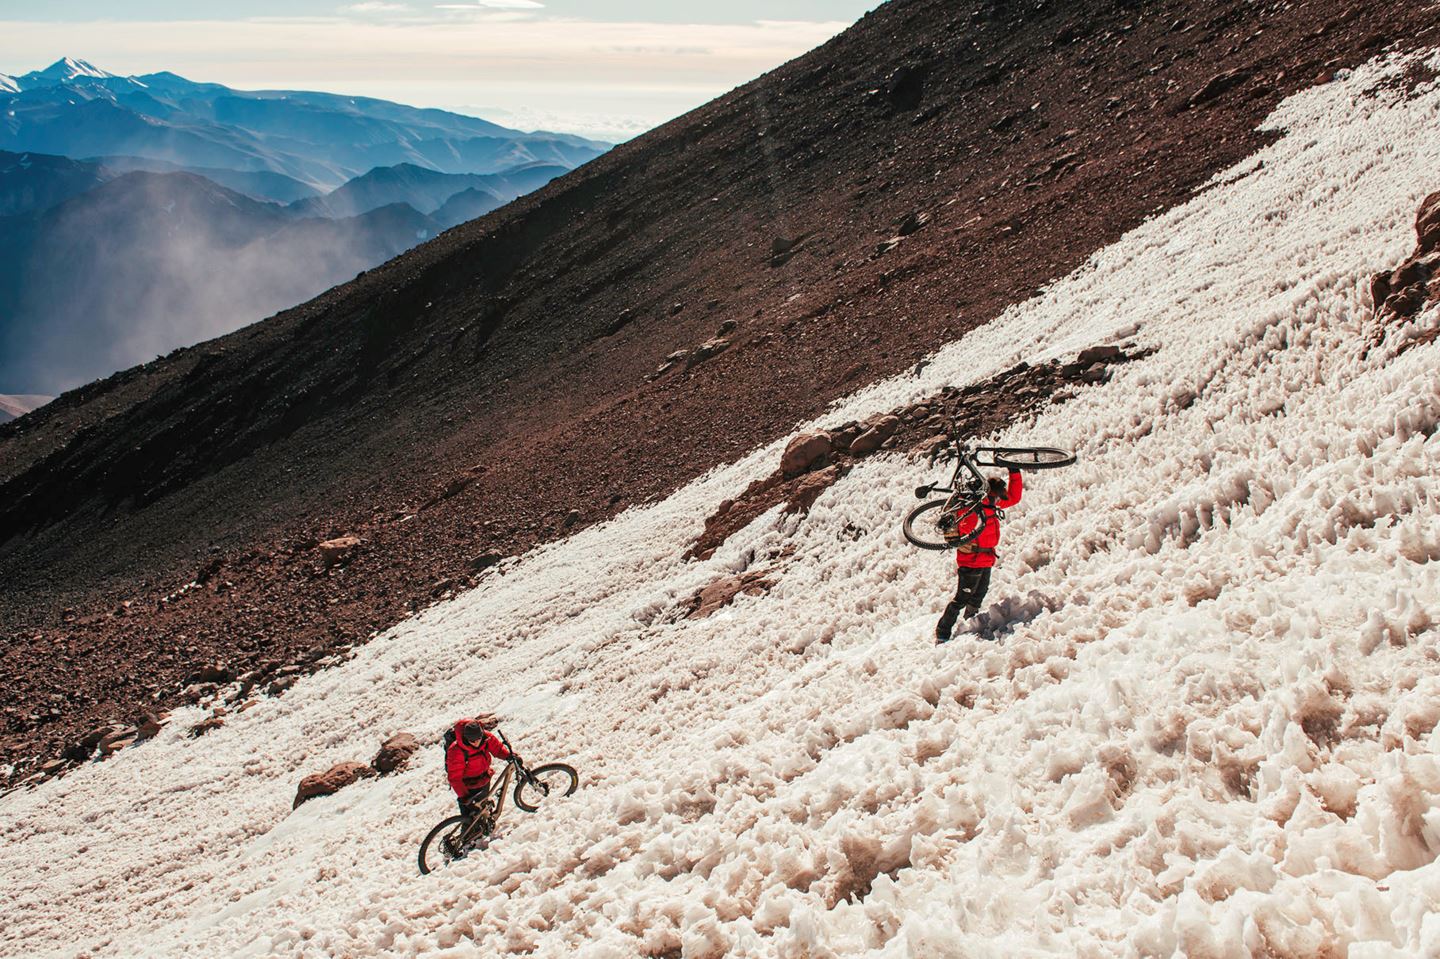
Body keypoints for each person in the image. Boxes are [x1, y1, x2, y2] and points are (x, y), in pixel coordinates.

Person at [936, 469, 1022, 643]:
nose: (1000, 501)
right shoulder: (974, 508)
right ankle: (942, 632)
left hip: (985, 559)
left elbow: (1014, 497)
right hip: (970, 560)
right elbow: (964, 530)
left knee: (978, 596)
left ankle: (970, 623)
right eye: (998, 497)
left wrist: (1014, 473)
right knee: (962, 598)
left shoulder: (992, 505)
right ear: (991, 494)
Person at [446, 714, 511, 820]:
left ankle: (483, 827)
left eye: (478, 739)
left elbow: (497, 749)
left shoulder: (486, 737)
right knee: (469, 818)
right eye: (472, 741)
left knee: (483, 810)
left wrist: (509, 756)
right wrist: (464, 796)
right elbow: (454, 777)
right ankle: (466, 834)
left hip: (484, 778)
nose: (476, 743)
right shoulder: (456, 751)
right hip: (467, 787)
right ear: (466, 738)